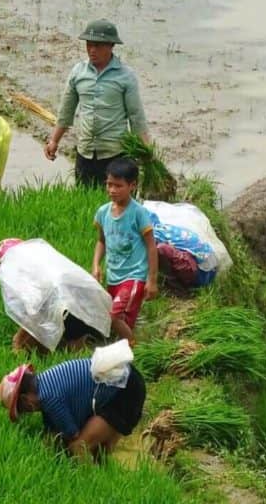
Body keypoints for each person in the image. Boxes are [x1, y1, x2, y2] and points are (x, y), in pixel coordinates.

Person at [44, 19, 150, 188]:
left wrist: (147, 153)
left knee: (116, 205)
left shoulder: (125, 76)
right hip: (85, 153)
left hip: (115, 154)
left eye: (98, 46)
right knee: (84, 203)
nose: (92, 50)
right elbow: (66, 111)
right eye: (89, 45)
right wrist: (54, 140)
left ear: (111, 46)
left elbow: (136, 117)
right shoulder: (78, 72)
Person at [0, 358, 146, 460]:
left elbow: (72, 433)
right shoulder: (46, 381)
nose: (27, 413)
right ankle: (104, 474)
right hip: (123, 378)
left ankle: (93, 488)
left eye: (22, 409)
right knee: (100, 451)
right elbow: (53, 429)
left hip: (123, 391)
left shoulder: (49, 399)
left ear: (25, 400)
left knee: (79, 446)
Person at [0, 238, 112, 354]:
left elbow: (35, 312)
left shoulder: (37, 276)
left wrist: (18, 342)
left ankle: (77, 343)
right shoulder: (45, 264)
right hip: (90, 314)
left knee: (30, 341)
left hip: (78, 317)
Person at [93, 158, 159, 343]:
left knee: (115, 318)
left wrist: (151, 280)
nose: (112, 190)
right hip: (114, 277)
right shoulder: (103, 212)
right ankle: (130, 341)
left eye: (118, 186)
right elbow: (101, 241)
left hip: (134, 277)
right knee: (117, 323)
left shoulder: (138, 213)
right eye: (109, 185)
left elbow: (151, 246)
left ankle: (133, 349)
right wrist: (96, 265)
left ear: (132, 185)